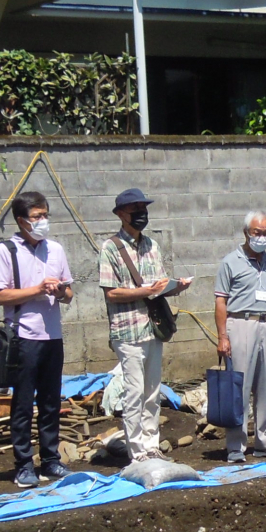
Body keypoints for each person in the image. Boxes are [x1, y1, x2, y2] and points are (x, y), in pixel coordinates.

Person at [0, 190, 75, 489]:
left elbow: (68, 295)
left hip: (53, 335)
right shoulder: (7, 251)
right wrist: (37, 290)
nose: (43, 222)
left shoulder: (55, 250)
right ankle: (24, 463)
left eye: (45, 216)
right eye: (37, 217)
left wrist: (58, 290)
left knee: (51, 400)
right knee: (24, 402)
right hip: (23, 336)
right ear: (21, 220)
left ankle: (50, 459)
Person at [99, 187, 189, 463]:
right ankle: (135, 450)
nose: (141, 214)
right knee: (134, 391)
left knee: (153, 391)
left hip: (153, 328)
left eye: (144, 209)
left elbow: (158, 286)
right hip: (128, 331)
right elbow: (111, 293)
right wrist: (146, 291)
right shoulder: (110, 248)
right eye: (135, 209)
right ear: (120, 214)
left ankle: (151, 446)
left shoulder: (152, 245)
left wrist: (174, 287)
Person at [214, 210, 266, 463]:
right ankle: (236, 446)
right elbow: (221, 301)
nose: (262, 237)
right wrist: (223, 336)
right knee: (240, 386)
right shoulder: (230, 262)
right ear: (247, 233)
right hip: (241, 323)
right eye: (257, 232)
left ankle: (265, 442)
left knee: (264, 387)